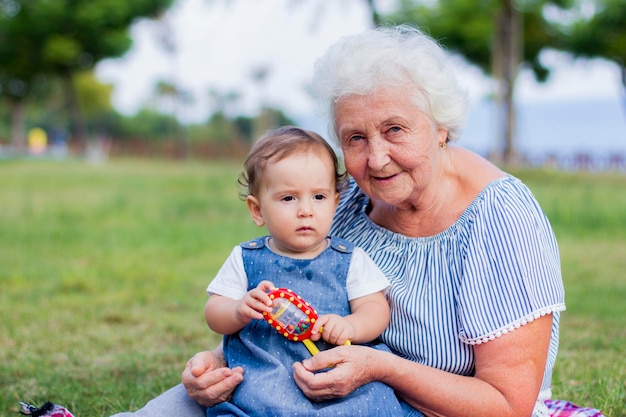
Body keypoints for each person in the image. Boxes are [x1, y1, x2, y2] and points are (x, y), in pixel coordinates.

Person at [110, 25, 606, 417]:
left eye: (395, 129)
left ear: (440, 127)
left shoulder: (499, 221)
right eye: (355, 139)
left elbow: (506, 406)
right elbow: (289, 302)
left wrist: (379, 368)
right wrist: (216, 364)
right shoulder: (345, 198)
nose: (377, 159)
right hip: (301, 389)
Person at [203, 126, 402, 416]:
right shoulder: (245, 258)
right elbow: (214, 312)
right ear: (257, 210)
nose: (306, 210)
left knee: (372, 400)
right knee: (252, 403)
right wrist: (237, 310)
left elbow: (376, 308)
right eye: (288, 198)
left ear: (335, 202)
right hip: (267, 374)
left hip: (338, 372)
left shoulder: (350, 259)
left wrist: (352, 326)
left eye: (319, 197)